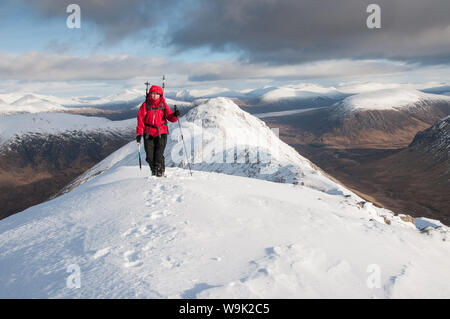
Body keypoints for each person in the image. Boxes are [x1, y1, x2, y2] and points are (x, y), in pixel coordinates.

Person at [136, 85, 180, 177]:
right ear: (150, 94)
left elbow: (170, 118)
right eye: (153, 93)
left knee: (158, 155)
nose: (154, 96)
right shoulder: (145, 105)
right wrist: (139, 133)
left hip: (161, 133)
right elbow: (140, 119)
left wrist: (175, 115)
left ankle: (159, 173)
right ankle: (154, 171)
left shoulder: (163, 105)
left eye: (157, 94)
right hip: (148, 133)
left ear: (160, 95)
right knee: (149, 157)